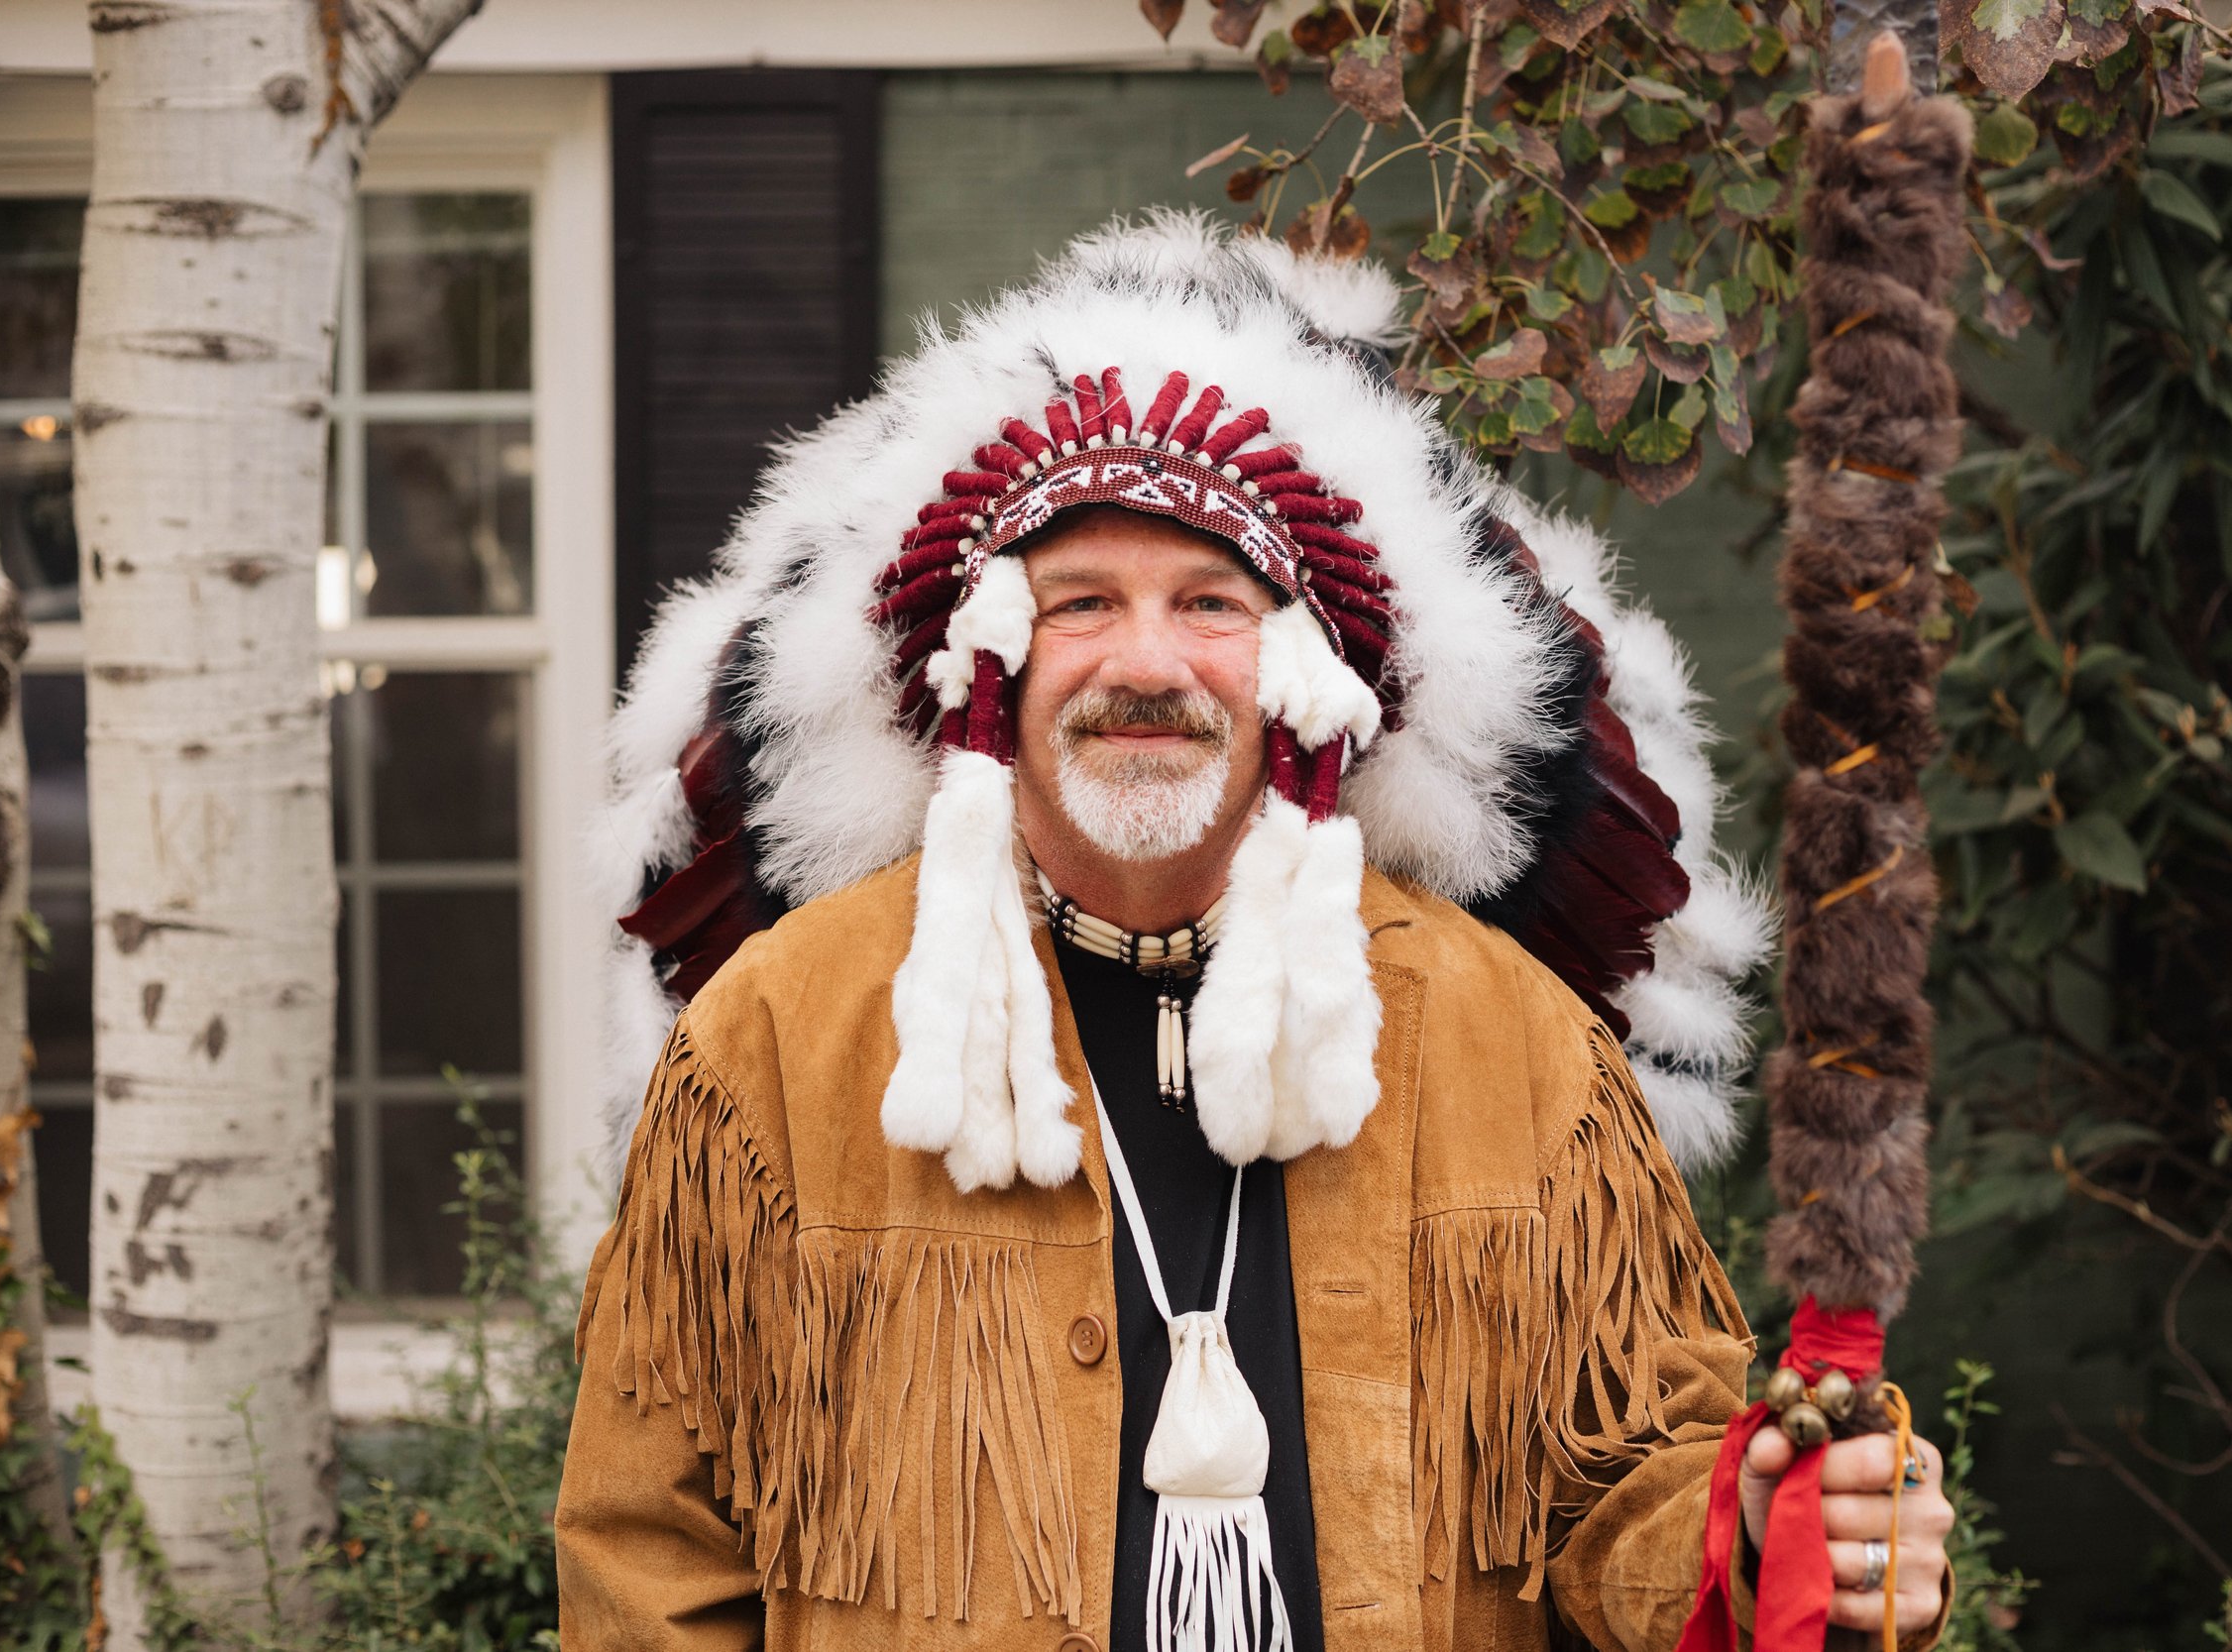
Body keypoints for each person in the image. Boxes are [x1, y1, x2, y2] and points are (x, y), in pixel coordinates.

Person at [554, 215, 1953, 1651]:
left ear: (1305, 674)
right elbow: (649, 1554)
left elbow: (1627, 1496)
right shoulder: (778, 1034)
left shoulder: (1516, 1043)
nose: (1147, 662)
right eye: (1081, 603)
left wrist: (1758, 1532)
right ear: (987, 670)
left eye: (1210, 604)